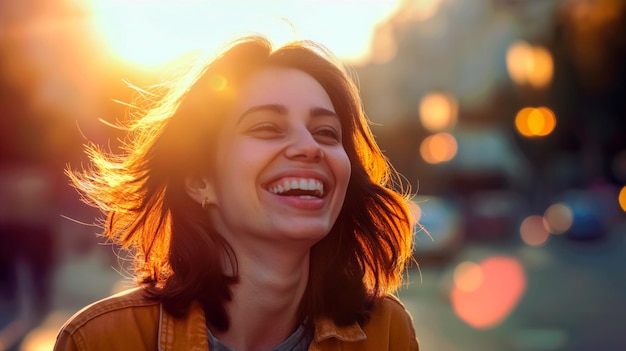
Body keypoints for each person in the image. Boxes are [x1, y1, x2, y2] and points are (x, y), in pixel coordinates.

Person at [54, 35, 418, 351]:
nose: (309, 147)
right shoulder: (100, 341)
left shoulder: (386, 334)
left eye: (326, 132)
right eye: (267, 128)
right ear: (199, 180)